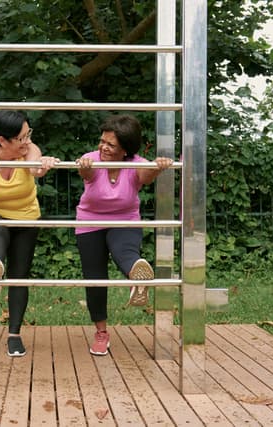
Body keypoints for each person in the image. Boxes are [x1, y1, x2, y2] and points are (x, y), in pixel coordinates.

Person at [75, 114, 173, 356]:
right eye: (102, 141)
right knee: (95, 279)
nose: (103, 147)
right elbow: (86, 175)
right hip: (90, 222)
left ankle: (137, 277)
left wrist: (157, 167)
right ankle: (101, 333)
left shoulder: (136, 163)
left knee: (125, 251)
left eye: (111, 145)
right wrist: (84, 168)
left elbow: (145, 177)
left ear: (125, 149)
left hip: (124, 220)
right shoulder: (91, 159)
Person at [0, 110, 59, 357]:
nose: (27, 141)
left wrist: (44, 164)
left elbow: (36, 170)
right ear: (2, 140)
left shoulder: (29, 150)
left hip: (25, 216)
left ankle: (14, 335)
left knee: (19, 275)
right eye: (21, 137)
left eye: (28, 134)